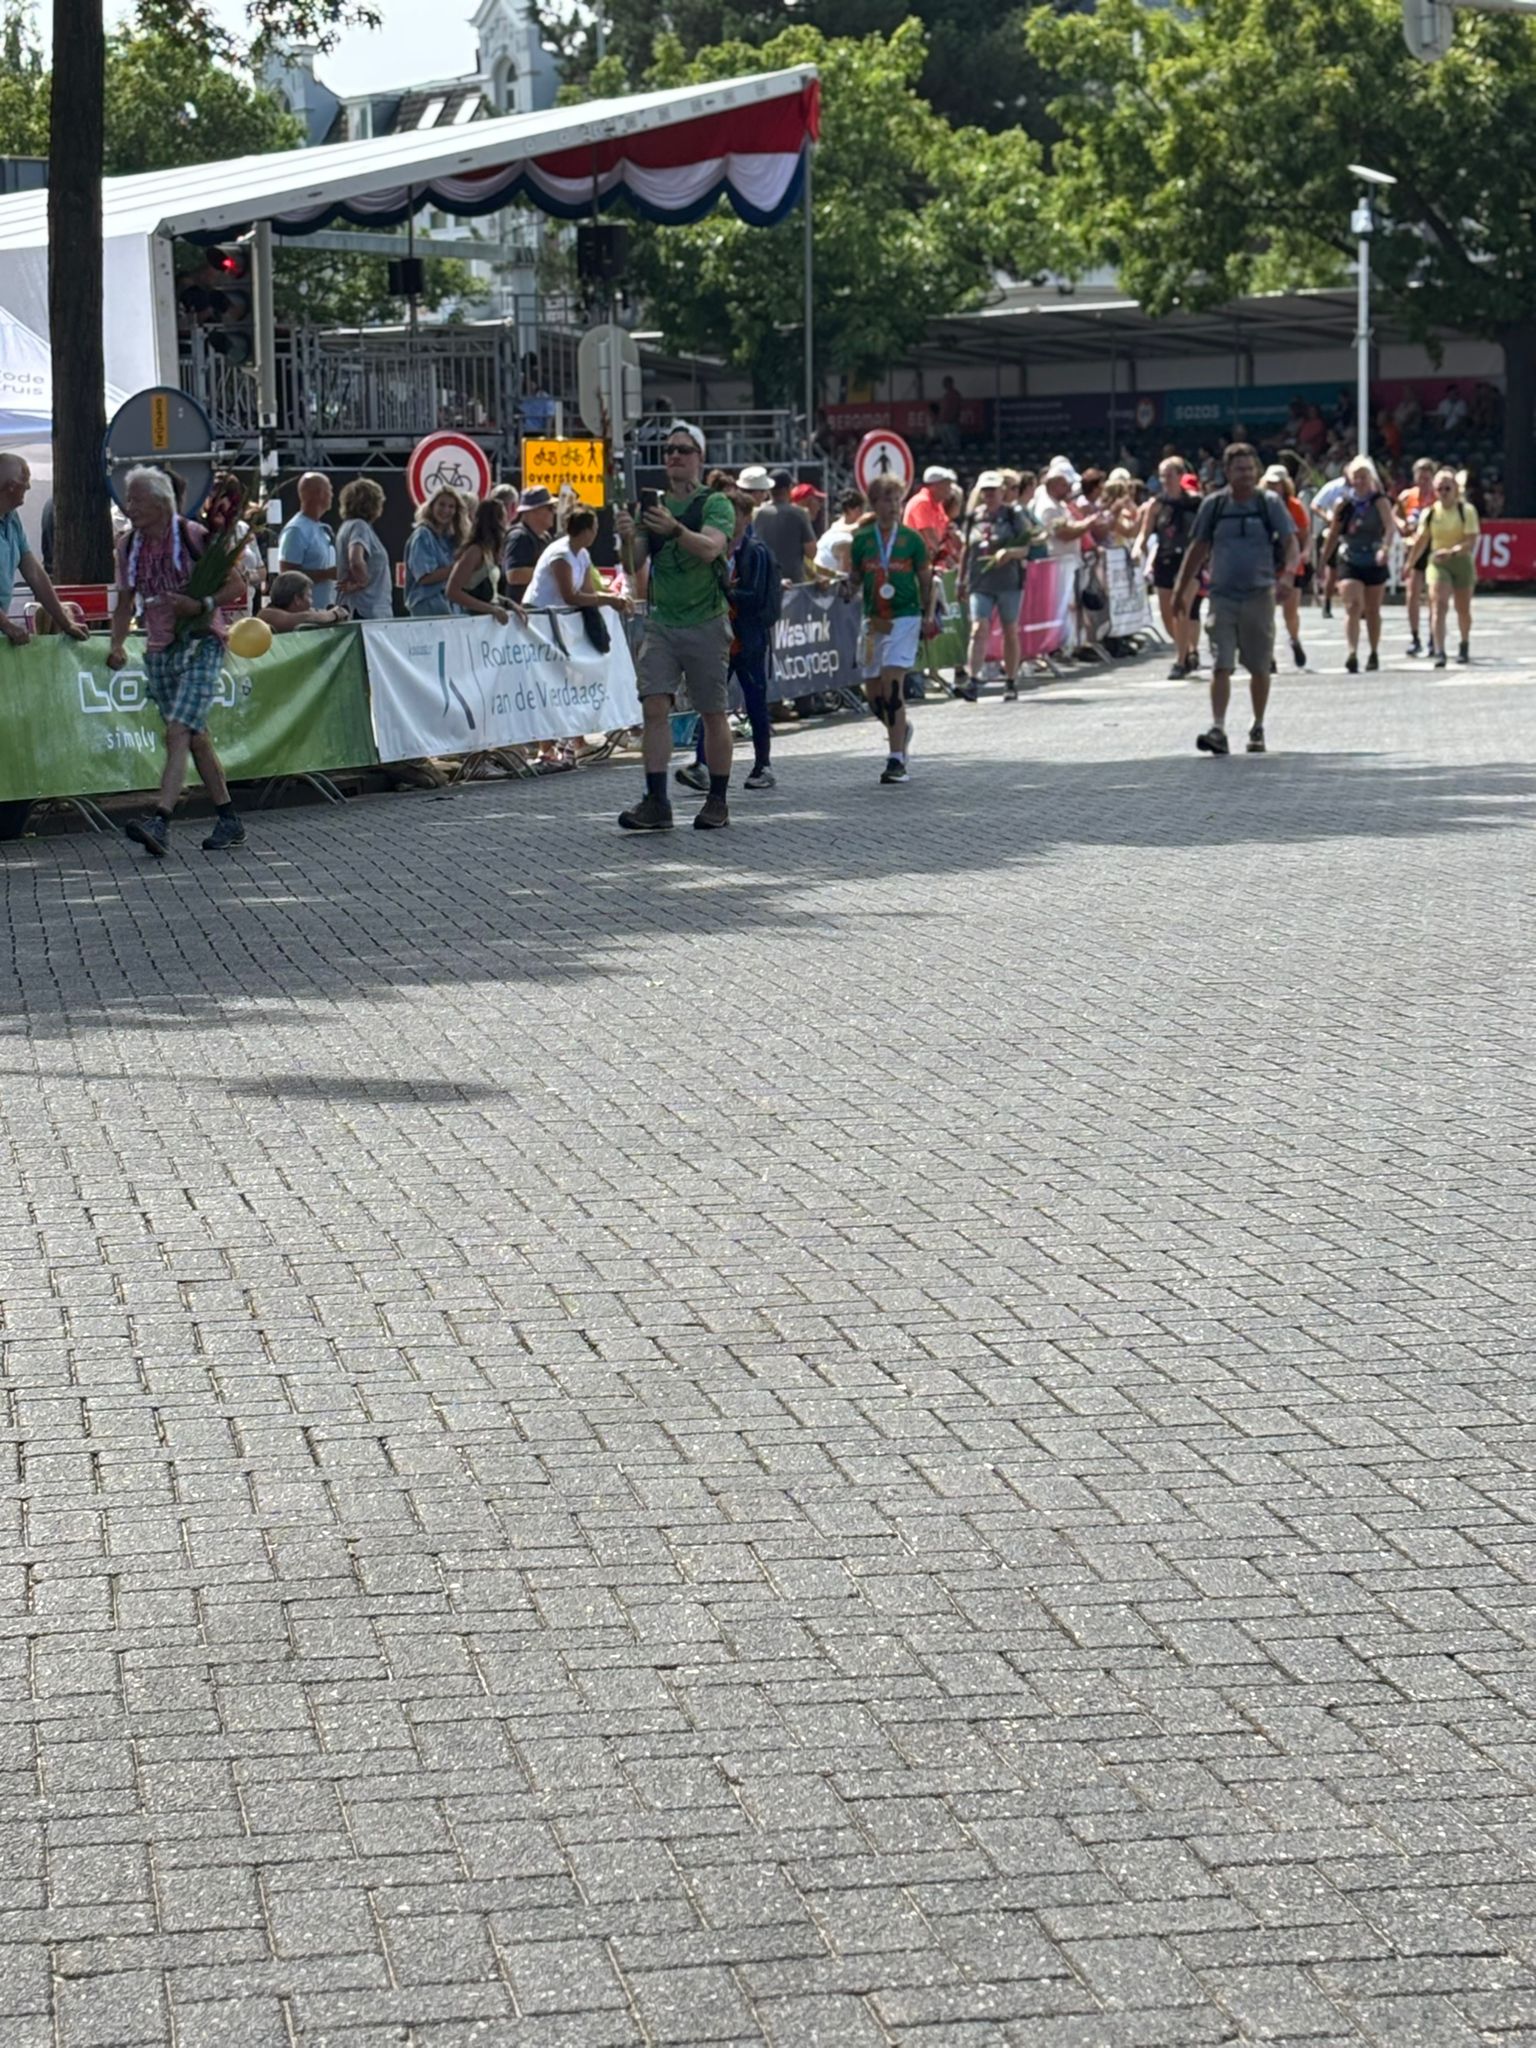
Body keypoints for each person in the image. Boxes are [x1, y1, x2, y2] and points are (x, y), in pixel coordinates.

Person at [106, 466, 247, 855]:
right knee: (196, 737)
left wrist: (200, 604)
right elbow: (124, 603)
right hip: (160, 651)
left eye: (137, 499)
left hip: (202, 643)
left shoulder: (192, 535)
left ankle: (161, 820)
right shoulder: (127, 547)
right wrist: (117, 644)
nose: (129, 506)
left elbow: (237, 583)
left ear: (160, 502)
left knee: (178, 731)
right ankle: (229, 819)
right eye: (128, 499)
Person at [613, 421, 735, 833]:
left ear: (700, 457)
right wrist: (627, 537)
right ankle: (657, 801)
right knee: (653, 707)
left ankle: (717, 799)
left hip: (706, 620)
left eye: (683, 449)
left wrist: (676, 529)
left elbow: (712, 548)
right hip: (662, 622)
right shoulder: (653, 506)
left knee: (712, 712)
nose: (675, 456)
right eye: (669, 450)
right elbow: (633, 565)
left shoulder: (715, 503)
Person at [1173, 442, 1297, 758]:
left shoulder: (1269, 504)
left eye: (1250, 469)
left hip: (1259, 595)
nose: (1246, 475)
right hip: (1222, 596)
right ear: (1227, 472)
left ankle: (1257, 725)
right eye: (1239, 469)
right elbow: (1197, 549)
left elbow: (1290, 542)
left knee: (1259, 666)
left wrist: (1287, 576)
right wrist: (1180, 589)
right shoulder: (1214, 506)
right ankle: (1218, 727)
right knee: (1221, 663)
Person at [677, 489, 780, 794]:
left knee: (755, 702)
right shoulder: (716, 550)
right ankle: (702, 764)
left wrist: (725, 590)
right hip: (719, 639)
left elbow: (756, 597)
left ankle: (763, 765)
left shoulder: (755, 552)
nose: (728, 521)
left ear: (746, 518)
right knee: (711, 704)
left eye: (734, 515)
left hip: (748, 640)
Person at [850, 473, 931, 785]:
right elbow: (856, 577)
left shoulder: (912, 539)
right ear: (874, 503)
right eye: (887, 499)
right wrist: (844, 587)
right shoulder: (862, 540)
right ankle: (901, 728)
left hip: (904, 617)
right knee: (873, 694)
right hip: (874, 621)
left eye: (897, 499)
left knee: (891, 683)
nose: (894, 505)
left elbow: (925, 578)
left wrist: (927, 613)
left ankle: (896, 759)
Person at [956, 469, 1031, 702]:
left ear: (1002, 491)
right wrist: (961, 579)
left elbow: (1026, 548)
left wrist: (1008, 553)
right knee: (978, 628)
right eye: (985, 490)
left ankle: (1010, 680)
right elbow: (966, 549)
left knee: (1010, 630)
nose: (989, 495)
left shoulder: (1013, 515)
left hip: (1008, 582)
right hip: (980, 581)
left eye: (993, 490)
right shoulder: (974, 517)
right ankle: (972, 679)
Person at [0, 454, 91, 646]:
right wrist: (6, 625)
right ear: (11, 486)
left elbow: (34, 573)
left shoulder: (12, 518)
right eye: (25, 479)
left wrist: (65, 623)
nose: (29, 486)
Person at [1325, 457, 1398, 674]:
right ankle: (1352, 652)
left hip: (1373, 556)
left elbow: (1390, 527)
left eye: (1363, 477)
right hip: (1350, 556)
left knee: (1372, 610)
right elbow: (1334, 532)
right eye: (1356, 477)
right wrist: (1323, 561)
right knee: (1353, 606)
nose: (1359, 482)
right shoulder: (1344, 503)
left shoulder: (1380, 501)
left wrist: (1385, 549)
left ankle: (1373, 651)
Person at [1135, 457, 1202, 678]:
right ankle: (1187, 649)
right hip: (1165, 560)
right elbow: (1145, 532)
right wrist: (1138, 549)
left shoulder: (1195, 502)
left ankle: (1180, 661)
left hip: (1189, 561)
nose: (1165, 480)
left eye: (1169, 475)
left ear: (1180, 476)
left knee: (1181, 607)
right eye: (1162, 475)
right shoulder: (1156, 504)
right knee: (1167, 615)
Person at [1415, 466, 1479, 668]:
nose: (1443, 493)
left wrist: (1452, 552)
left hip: (1460, 561)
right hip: (1438, 562)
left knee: (1462, 608)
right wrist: (1409, 564)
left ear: (1455, 489)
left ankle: (1464, 643)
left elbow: (1471, 541)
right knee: (1439, 604)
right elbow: (1421, 541)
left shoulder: (1466, 511)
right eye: (1440, 489)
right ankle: (1440, 650)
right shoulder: (1430, 513)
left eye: (1447, 488)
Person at [524, 504, 629, 618]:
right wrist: (609, 600)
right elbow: (570, 597)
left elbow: (589, 592)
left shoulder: (583, 554)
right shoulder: (561, 554)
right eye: (594, 529)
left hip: (557, 616)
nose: (596, 533)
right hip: (538, 614)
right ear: (585, 531)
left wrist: (618, 597)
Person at [1262, 463, 1310, 671]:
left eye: (1277, 484)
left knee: (1290, 612)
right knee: (1266, 612)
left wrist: (1304, 553)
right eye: (1270, 484)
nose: (1274, 488)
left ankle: (1294, 638)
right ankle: (1268, 654)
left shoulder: (1294, 506)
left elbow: (1305, 535)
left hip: (1290, 562)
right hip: (1268, 562)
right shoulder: (1260, 504)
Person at [446, 498, 519, 624]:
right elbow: (452, 591)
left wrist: (509, 604)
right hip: (471, 623)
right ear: (497, 521)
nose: (507, 523)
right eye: (504, 518)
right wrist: (491, 609)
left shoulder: (489, 551)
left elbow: (487, 594)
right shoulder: (475, 552)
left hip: (487, 623)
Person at [335, 478, 393, 621]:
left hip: (360, 609)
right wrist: (362, 581)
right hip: (366, 611)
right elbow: (355, 559)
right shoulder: (359, 526)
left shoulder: (347, 526)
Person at [277, 472, 337, 610]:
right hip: (305, 614)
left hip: (325, 611)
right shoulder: (296, 530)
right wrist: (327, 574)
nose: (332, 495)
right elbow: (287, 576)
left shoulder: (322, 529)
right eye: (329, 490)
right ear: (318, 493)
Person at [405, 488, 469, 616]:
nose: (446, 510)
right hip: (428, 605)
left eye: (451, 506)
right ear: (432, 506)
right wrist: (459, 568)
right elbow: (424, 577)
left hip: (450, 606)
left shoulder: (450, 539)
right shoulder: (422, 535)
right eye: (441, 504)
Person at [1397, 458, 1438, 656]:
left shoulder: (1438, 496)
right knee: (1412, 593)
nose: (1423, 482)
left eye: (1427, 478)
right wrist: (1402, 525)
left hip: (1433, 547)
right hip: (1414, 547)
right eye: (1420, 478)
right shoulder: (1407, 496)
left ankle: (1433, 636)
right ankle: (1415, 637)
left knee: (1433, 595)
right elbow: (1395, 514)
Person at [754, 470, 817, 586]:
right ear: (789, 488)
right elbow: (811, 552)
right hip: (793, 585)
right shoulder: (799, 514)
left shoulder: (757, 513)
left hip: (765, 583)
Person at [503, 486, 556, 603]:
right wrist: (551, 572)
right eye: (550, 508)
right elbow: (513, 575)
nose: (554, 512)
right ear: (534, 511)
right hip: (521, 609)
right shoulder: (519, 537)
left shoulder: (544, 537)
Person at [259, 570, 347, 631]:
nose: (311, 601)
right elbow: (305, 617)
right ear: (297, 599)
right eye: (309, 596)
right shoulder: (267, 614)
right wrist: (334, 614)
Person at [814, 488, 866, 577]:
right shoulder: (845, 540)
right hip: (828, 582)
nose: (862, 513)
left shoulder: (833, 529)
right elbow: (844, 577)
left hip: (817, 578)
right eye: (860, 509)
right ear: (851, 509)